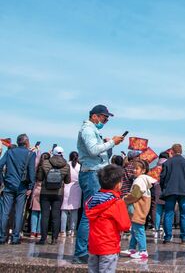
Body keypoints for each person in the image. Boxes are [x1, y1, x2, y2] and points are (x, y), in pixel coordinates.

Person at [73, 105, 125, 264]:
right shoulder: (88, 130)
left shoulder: (92, 130)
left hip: (94, 173)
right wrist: (111, 143)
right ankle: (81, 252)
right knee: (90, 214)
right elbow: (93, 150)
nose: (106, 120)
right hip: (91, 174)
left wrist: (107, 142)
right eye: (104, 117)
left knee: (93, 214)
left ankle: (86, 249)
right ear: (94, 116)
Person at [86, 164, 131, 273]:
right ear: (117, 185)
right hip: (109, 245)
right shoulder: (116, 202)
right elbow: (125, 225)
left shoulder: (92, 199)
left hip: (93, 245)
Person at [0, 133, 36, 244]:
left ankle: (2, 237)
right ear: (26, 142)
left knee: (5, 212)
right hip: (22, 186)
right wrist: (30, 186)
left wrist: (2, 180)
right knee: (19, 212)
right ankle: (15, 237)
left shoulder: (10, 152)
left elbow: (0, 165)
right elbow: (31, 172)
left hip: (9, 184)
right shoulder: (30, 154)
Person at [159, 143, 185, 244]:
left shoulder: (167, 163)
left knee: (169, 213)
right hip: (184, 191)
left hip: (170, 190)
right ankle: (184, 237)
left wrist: (163, 188)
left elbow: (162, 178)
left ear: (172, 151)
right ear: (181, 151)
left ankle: (167, 237)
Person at [121, 160, 156, 259]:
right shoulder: (144, 179)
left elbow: (135, 195)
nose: (134, 170)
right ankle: (132, 248)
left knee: (138, 230)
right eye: (133, 169)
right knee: (134, 230)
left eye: (137, 169)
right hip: (141, 208)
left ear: (143, 170)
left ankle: (143, 251)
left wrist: (125, 199)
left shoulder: (139, 180)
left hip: (138, 209)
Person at [36, 146, 71, 244]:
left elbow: (39, 178)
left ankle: (43, 238)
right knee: (56, 216)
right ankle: (54, 238)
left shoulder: (45, 163)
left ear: (53, 153)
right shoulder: (66, 165)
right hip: (58, 193)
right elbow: (68, 181)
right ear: (62, 153)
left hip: (45, 192)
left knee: (45, 216)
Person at [61, 151, 82, 238]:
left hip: (66, 187)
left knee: (64, 209)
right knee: (74, 210)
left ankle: (63, 231)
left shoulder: (66, 165)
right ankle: (72, 230)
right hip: (77, 188)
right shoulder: (79, 166)